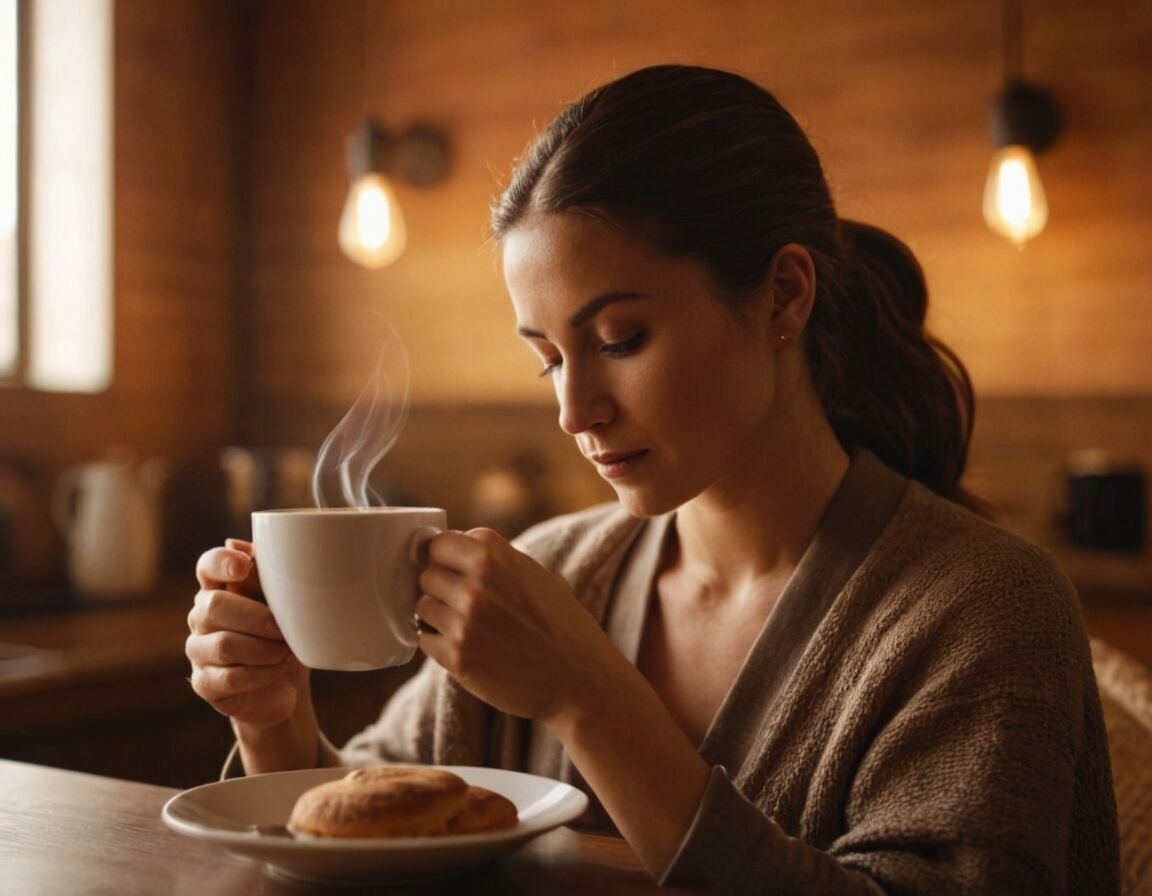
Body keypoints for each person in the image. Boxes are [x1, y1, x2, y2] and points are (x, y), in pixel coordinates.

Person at [187, 64, 1119, 893]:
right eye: (549, 358)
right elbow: (378, 827)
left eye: (620, 340)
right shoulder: (552, 567)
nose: (574, 410)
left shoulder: (985, 608)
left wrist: (589, 697)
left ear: (783, 296)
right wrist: (276, 724)